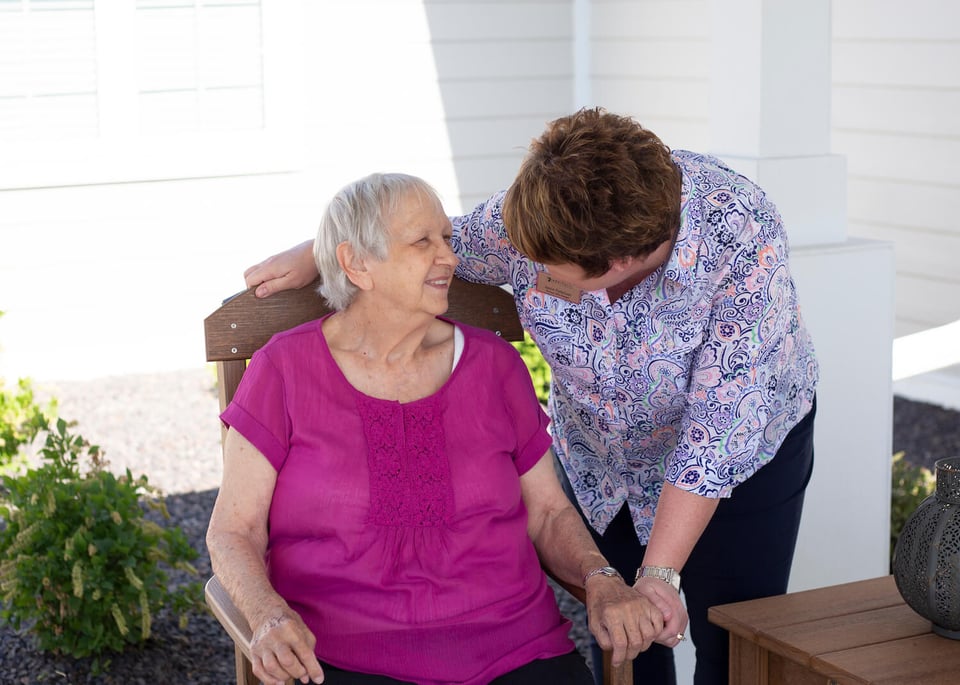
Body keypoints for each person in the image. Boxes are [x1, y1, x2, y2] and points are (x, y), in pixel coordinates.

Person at [242, 108, 818, 685]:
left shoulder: (742, 235)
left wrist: (661, 574)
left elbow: (715, 432)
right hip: (605, 461)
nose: (526, 266)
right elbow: (425, 247)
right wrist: (323, 251)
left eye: (546, 268)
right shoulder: (540, 217)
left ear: (615, 265)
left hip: (738, 458)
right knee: (628, 642)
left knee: (734, 648)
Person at [207, 171, 674, 685]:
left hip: (515, 649)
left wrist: (599, 575)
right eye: (422, 242)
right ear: (356, 263)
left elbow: (546, 512)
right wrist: (267, 616)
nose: (449, 257)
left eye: (448, 240)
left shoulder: (494, 366)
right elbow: (234, 530)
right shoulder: (284, 370)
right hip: (343, 657)